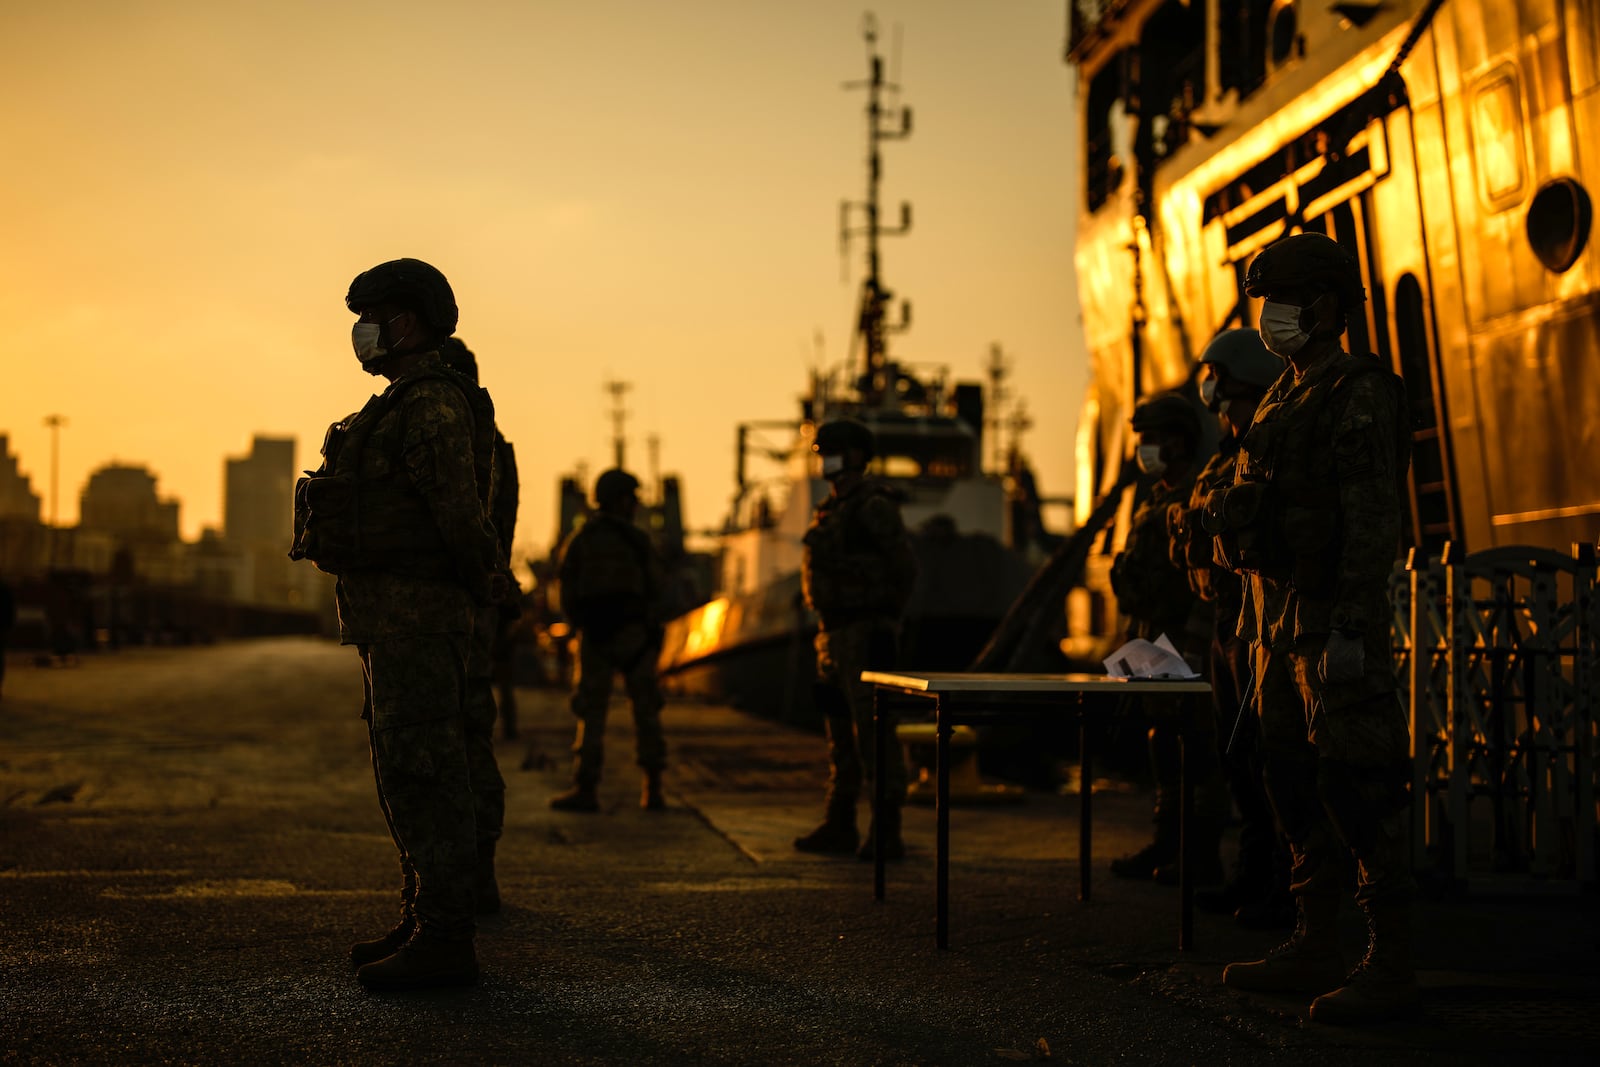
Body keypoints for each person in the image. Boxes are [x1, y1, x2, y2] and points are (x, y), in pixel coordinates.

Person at [1207, 232, 1417, 1023]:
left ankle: (1389, 962)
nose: (1272, 318)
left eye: (1283, 302)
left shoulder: (1357, 390)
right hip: (1276, 624)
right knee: (1291, 778)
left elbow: (1370, 520)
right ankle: (1315, 940)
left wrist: (1352, 632)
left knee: (1356, 784)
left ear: (1327, 306)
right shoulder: (1283, 393)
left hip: (1329, 625)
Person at [290, 257, 501, 992]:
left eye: (372, 316)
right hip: (391, 619)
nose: (362, 332)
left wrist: (482, 590)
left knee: (427, 770)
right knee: (402, 771)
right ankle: (422, 914)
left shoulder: (432, 403)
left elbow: (458, 516)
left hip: (421, 619)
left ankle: (447, 936)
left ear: (405, 321)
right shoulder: (401, 401)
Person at [1169, 329, 1294, 929]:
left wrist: (1200, 518)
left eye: (1214, 374)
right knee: (1237, 754)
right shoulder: (1225, 452)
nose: (1208, 386)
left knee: (1272, 755)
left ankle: (1285, 886)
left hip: (1257, 618)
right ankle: (1252, 872)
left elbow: (1240, 516)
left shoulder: (1268, 445)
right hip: (1225, 618)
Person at [1107, 393, 1228, 885]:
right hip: (1149, 640)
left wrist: (1199, 640)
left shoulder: (1195, 496)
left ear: (1179, 441)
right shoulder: (1154, 498)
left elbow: (1206, 576)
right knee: (1161, 740)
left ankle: (1199, 856)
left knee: (1196, 746)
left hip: (1184, 639)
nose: (1145, 449)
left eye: (1153, 439)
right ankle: (1166, 842)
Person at [793, 417, 917, 860]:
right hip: (833, 635)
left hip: (864, 633)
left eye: (833, 451)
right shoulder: (830, 507)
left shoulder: (873, 506)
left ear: (858, 456)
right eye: (821, 451)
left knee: (875, 733)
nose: (825, 459)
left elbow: (903, 568)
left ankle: (887, 831)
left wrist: (884, 622)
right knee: (839, 734)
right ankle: (839, 822)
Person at [439, 337, 519, 915]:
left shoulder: (454, 438)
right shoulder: (496, 444)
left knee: (442, 741)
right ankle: (476, 875)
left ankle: (452, 886)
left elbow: (466, 529)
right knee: (472, 733)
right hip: (479, 610)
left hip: (448, 609)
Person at [549, 468, 668, 813]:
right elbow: (658, 587)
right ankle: (653, 788)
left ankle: (585, 788)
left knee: (591, 713)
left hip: (595, 637)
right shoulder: (637, 540)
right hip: (635, 637)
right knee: (646, 711)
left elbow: (566, 589)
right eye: (632, 499)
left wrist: (582, 625)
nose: (636, 505)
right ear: (620, 500)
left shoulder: (581, 540)